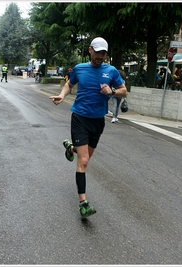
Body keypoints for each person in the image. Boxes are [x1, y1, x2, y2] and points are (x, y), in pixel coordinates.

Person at [49, 37, 127, 218]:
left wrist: (112, 91)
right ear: (90, 50)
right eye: (97, 52)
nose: (100, 56)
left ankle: (71, 147)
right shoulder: (80, 68)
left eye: (103, 53)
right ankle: (83, 203)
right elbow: (69, 83)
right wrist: (62, 95)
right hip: (80, 118)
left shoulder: (111, 71)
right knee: (83, 161)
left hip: (98, 120)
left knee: (85, 156)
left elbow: (124, 90)